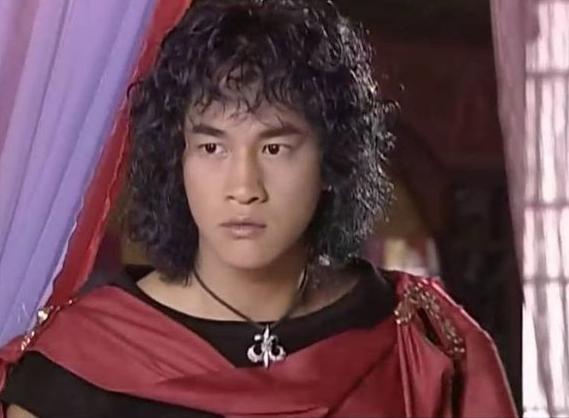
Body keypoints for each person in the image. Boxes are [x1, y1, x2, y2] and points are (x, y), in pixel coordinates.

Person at [0, 0, 517, 416]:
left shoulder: (416, 342)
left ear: (332, 160)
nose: (244, 187)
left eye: (274, 148)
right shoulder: (81, 361)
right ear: (176, 161)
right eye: (212, 148)